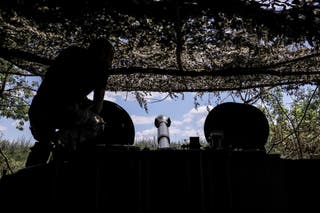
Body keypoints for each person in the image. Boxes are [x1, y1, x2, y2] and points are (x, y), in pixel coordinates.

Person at [26, 39, 114, 167]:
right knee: (98, 124)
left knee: (44, 143)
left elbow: (60, 85)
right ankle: (61, 143)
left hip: (37, 110)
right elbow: (97, 106)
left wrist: (81, 103)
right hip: (61, 111)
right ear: (106, 55)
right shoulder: (102, 67)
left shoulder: (70, 52)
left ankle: (30, 176)